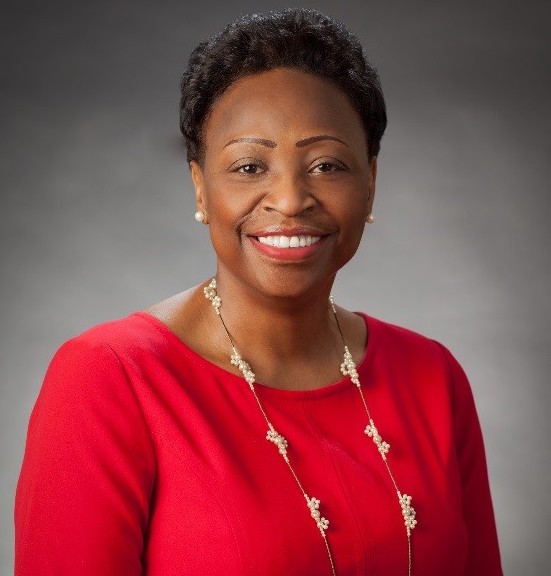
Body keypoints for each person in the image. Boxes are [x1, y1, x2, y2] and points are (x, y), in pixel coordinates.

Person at [14, 8, 503, 576]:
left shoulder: (433, 378)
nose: (291, 199)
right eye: (249, 166)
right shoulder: (111, 380)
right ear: (200, 187)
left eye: (326, 164)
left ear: (371, 183)